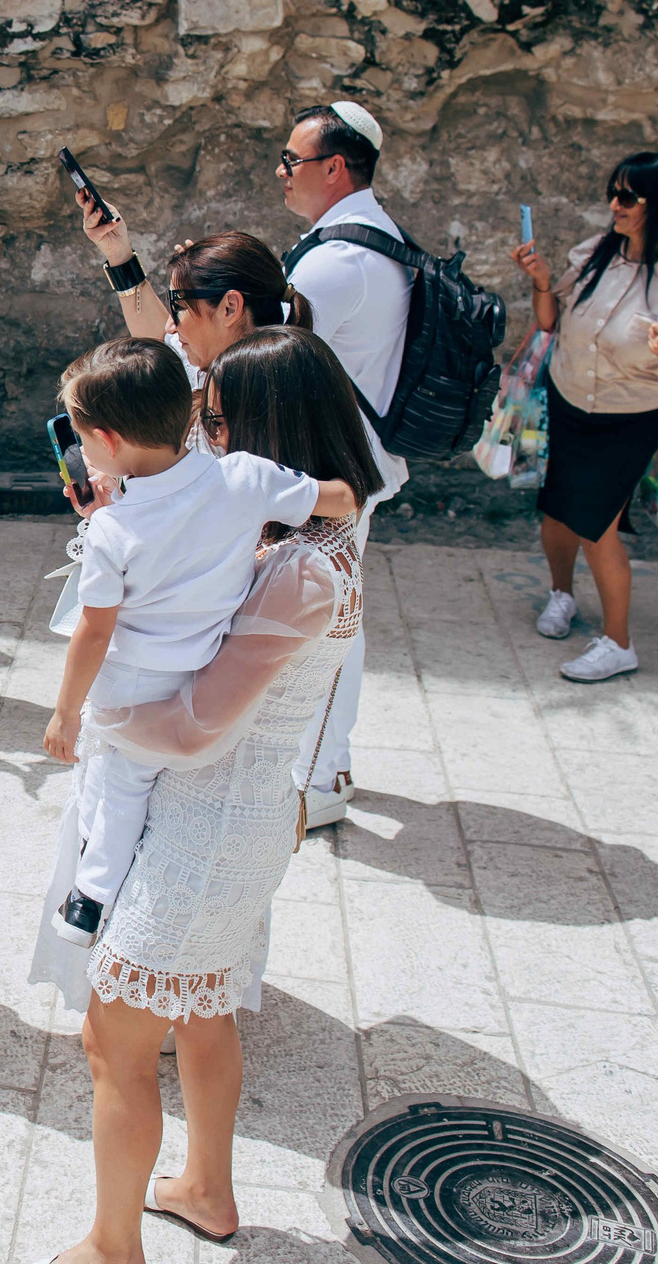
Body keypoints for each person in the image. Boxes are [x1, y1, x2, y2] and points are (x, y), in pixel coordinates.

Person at [32, 325, 379, 1258]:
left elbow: (191, 726)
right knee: (204, 1006)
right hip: (233, 815)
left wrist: (91, 724)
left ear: (273, 423)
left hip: (211, 825)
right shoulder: (300, 528)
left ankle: (112, 1244)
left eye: (220, 419)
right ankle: (206, 1189)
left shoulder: (303, 567)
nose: (209, 437)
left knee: (116, 1038)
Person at [40, 339, 361, 949]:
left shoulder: (111, 528)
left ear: (106, 443)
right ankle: (97, 892)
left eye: (83, 441)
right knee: (135, 779)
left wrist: (63, 712)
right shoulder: (246, 477)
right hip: (199, 666)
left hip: (128, 684)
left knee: (119, 784)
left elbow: (95, 628)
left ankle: (91, 898)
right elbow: (338, 497)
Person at [511, 152, 658, 681]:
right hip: (567, 397)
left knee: (596, 525)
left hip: (628, 416)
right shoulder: (593, 255)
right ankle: (561, 595)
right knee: (557, 513)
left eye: (627, 197)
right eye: (614, 192)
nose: (614, 205)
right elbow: (550, 325)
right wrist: (540, 281)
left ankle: (619, 642)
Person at [273, 100, 410, 829]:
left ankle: (323, 774)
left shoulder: (339, 261)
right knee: (334, 614)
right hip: (354, 463)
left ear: (333, 167)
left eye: (291, 161)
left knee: (331, 620)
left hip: (338, 473)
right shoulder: (371, 239)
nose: (281, 173)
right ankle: (324, 760)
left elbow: (256, 344)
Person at [75, 208, 314, 414]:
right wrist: (118, 253)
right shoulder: (275, 370)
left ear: (229, 308)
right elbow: (159, 340)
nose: (170, 325)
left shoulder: (258, 403)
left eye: (178, 307)